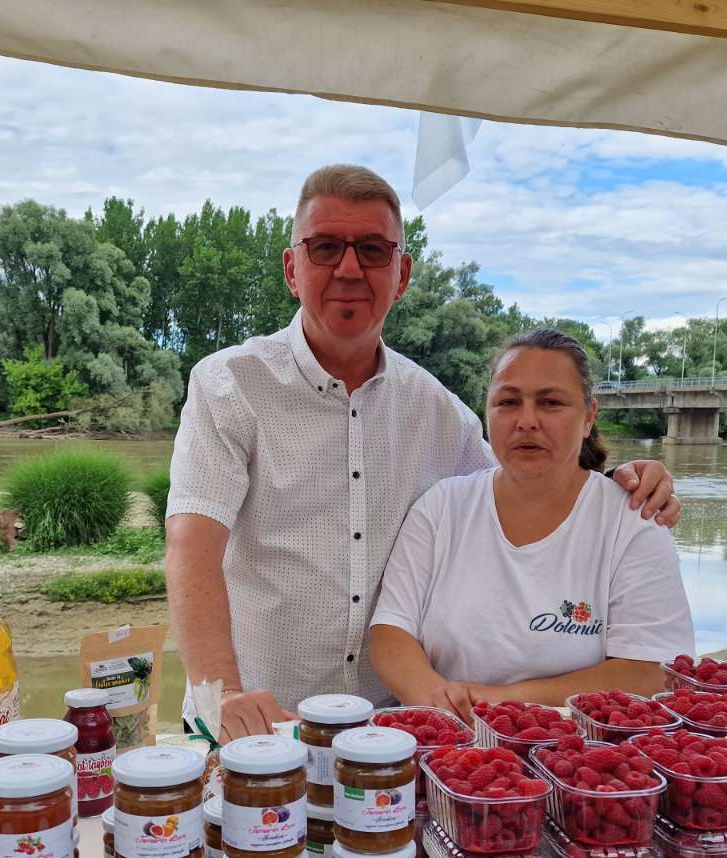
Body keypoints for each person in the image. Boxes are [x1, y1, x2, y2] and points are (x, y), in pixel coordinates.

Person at [165, 164, 680, 742]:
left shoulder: (437, 410)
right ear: (292, 268)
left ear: (402, 273)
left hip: (392, 730)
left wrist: (618, 481)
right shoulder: (229, 385)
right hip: (255, 722)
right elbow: (193, 545)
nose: (350, 268)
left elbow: (528, 486)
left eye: (373, 250)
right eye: (326, 247)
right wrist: (223, 691)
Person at [370, 328, 694, 719]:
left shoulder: (633, 521)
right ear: (486, 412)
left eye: (551, 402)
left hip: (583, 762)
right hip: (447, 748)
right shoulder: (440, 507)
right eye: (508, 402)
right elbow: (391, 634)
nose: (527, 421)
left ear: (589, 416)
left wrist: (499, 700)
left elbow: (651, 672)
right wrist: (437, 700)